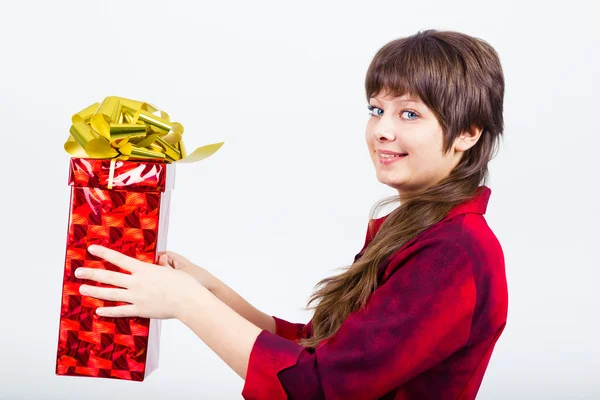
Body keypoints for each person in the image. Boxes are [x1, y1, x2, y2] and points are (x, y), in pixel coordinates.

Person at [74, 29, 508, 399]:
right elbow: (320, 348)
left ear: (468, 133)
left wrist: (188, 304)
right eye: (376, 109)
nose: (382, 130)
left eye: (409, 113)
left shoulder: (453, 253)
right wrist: (205, 290)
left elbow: (319, 387)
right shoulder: (417, 229)